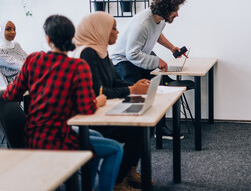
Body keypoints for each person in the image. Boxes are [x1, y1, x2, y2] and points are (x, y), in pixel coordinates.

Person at [1, 15, 123, 191]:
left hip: (34, 134)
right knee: (116, 149)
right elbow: (86, 109)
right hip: (58, 137)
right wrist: (99, 100)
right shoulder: (78, 66)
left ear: (48, 38)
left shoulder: (33, 60)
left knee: (97, 136)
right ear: (72, 39)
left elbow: (12, 94)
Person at [72, 12, 150, 191]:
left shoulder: (101, 50)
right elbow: (98, 91)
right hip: (90, 121)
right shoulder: (87, 54)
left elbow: (115, 81)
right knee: (138, 132)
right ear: (100, 30)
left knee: (146, 127)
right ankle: (118, 180)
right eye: (113, 28)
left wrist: (137, 86)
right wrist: (131, 90)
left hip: (102, 112)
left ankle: (127, 171)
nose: (117, 32)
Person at [110, 0, 187, 139]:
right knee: (137, 96)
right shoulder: (142, 23)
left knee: (156, 89)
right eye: (175, 10)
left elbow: (157, 34)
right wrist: (157, 61)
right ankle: (133, 134)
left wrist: (172, 48)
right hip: (123, 60)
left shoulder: (161, 19)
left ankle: (159, 129)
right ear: (166, 9)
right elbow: (131, 54)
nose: (177, 14)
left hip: (140, 56)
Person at [0, 19, 28, 84]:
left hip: (27, 74)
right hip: (16, 82)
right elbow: (16, 64)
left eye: (14, 29)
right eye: (8, 29)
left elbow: (28, 58)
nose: (13, 32)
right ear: (1, 31)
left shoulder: (16, 45)